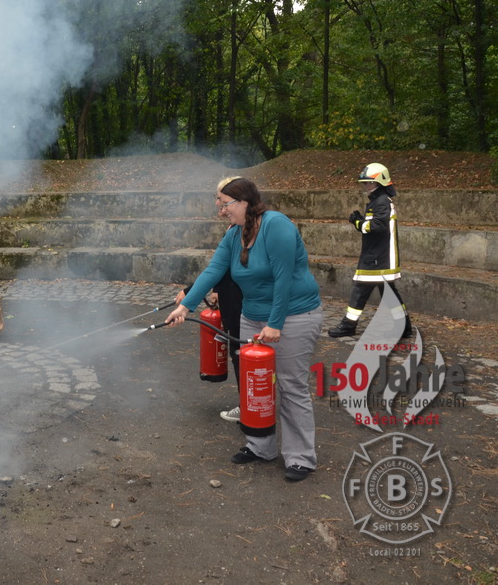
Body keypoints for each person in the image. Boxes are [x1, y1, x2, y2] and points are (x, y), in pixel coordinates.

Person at [165, 177, 323, 481]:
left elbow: (284, 279)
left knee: (291, 386)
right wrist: (186, 306)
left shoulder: (277, 226)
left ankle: (301, 457)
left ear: (244, 203)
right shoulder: (235, 234)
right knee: (255, 384)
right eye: (219, 204)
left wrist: (276, 323)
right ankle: (261, 446)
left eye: (225, 204)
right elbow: (214, 269)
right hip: (252, 315)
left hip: (294, 315)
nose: (221, 210)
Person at [175, 177, 244, 423]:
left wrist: (190, 293)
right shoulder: (234, 228)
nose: (220, 209)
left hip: (239, 302)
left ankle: (249, 406)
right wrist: (212, 290)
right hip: (230, 296)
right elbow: (220, 267)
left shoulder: (246, 228)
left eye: (223, 203)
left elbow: (224, 268)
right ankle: (249, 403)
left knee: (241, 353)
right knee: (239, 353)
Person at [327, 163, 411, 338]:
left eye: (369, 182)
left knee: (360, 289)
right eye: (364, 183)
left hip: (377, 258)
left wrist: (358, 222)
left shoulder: (381, 202)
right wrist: (362, 221)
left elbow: (377, 227)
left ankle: (348, 325)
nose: (365, 186)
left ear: (380, 182)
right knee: (389, 293)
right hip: (378, 255)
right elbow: (376, 226)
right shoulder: (379, 201)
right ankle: (404, 327)